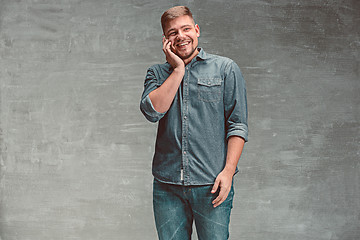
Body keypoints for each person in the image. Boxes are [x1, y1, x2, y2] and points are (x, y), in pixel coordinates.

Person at [140, 6, 248, 240]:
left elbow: (237, 125)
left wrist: (228, 172)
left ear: (196, 30)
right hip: (167, 187)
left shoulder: (225, 69)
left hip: (212, 185)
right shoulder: (157, 74)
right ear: (166, 40)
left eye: (186, 28)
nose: (180, 36)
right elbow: (152, 112)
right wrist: (178, 69)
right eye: (172, 32)